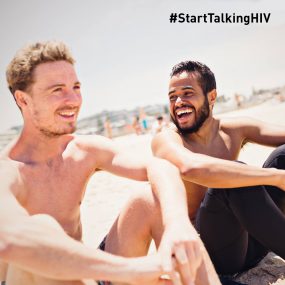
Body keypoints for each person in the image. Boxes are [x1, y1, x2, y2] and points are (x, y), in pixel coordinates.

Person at [0, 42, 220, 285]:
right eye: (57, 90)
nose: (73, 100)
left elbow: (159, 166)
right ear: (23, 99)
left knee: (149, 197)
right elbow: (9, 241)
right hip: (41, 278)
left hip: (93, 276)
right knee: (42, 228)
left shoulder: (82, 149)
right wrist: (130, 270)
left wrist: (178, 222)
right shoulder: (7, 172)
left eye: (76, 87)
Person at [151, 60, 285, 279]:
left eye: (187, 93)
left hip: (258, 242)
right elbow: (191, 167)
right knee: (232, 180)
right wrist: (277, 178)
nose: (178, 102)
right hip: (216, 254)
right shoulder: (166, 140)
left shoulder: (232, 129)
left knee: (283, 155)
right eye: (172, 96)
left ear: (211, 97)